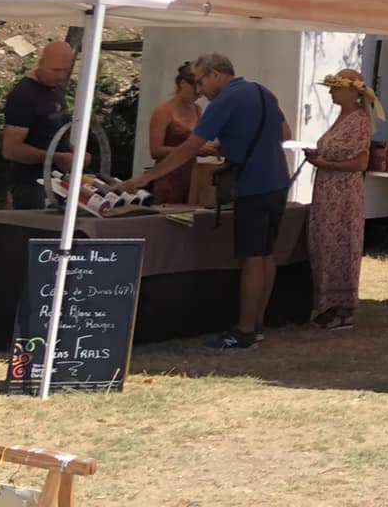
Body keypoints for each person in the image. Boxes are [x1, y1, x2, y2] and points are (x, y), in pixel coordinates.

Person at [124, 54, 292, 349]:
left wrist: (145, 178)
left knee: (252, 256)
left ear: (215, 74)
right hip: (278, 181)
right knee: (266, 254)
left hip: (252, 185)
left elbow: (189, 148)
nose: (200, 90)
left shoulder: (224, 100)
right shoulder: (262, 92)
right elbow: (285, 134)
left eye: (201, 82)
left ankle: (244, 331)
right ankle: (257, 323)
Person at [303, 68, 380, 330]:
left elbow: (360, 163)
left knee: (340, 245)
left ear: (350, 91)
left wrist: (325, 163)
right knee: (324, 243)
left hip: (344, 193)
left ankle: (342, 306)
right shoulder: (341, 117)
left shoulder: (359, 120)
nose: (331, 93)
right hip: (327, 191)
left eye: (335, 88)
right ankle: (326, 302)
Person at [1, 40, 80, 210]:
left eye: (65, 70)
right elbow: (11, 150)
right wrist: (57, 157)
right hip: (32, 185)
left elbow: (51, 134)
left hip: (58, 181)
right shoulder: (24, 95)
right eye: (55, 70)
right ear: (41, 62)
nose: (60, 76)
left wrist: (74, 153)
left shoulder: (55, 90)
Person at [146, 61, 216, 205]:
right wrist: (193, 150)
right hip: (167, 175)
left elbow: (197, 140)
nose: (198, 93)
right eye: (195, 88)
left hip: (191, 174)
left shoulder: (197, 110)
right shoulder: (163, 112)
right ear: (182, 83)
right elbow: (155, 151)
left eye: (201, 88)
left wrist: (209, 147)